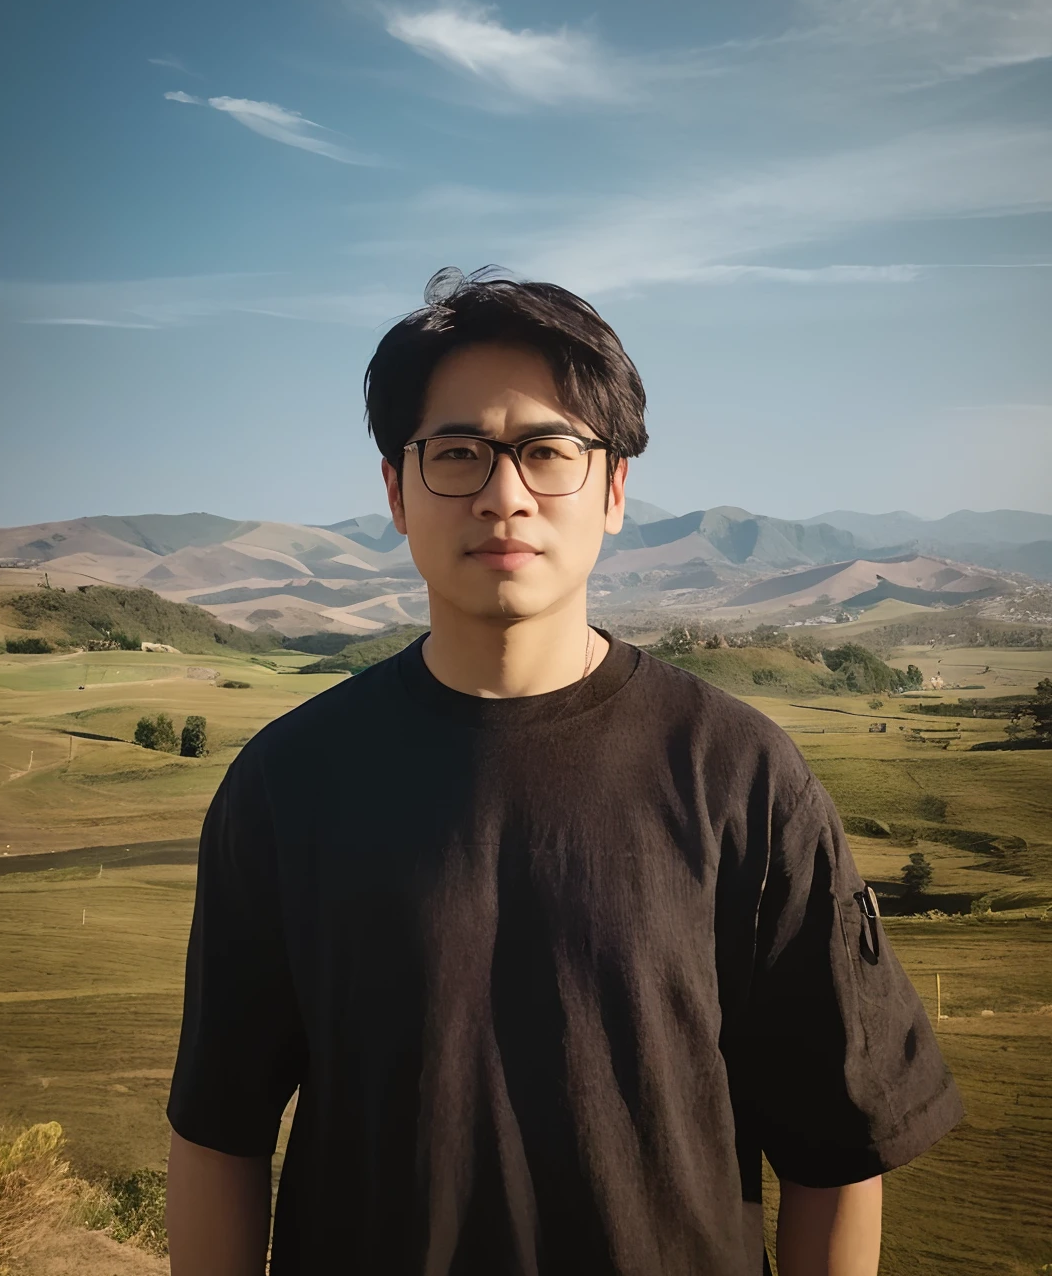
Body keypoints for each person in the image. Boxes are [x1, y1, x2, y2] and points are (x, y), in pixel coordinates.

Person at [166, 267, 963, 1276]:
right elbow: (217, 1132)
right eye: (458, 453)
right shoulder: (287, 786)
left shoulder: (744, 779)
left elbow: (839, 1147)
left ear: (615, 489)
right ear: (396, 493)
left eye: (547, 453)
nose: (505, 496)